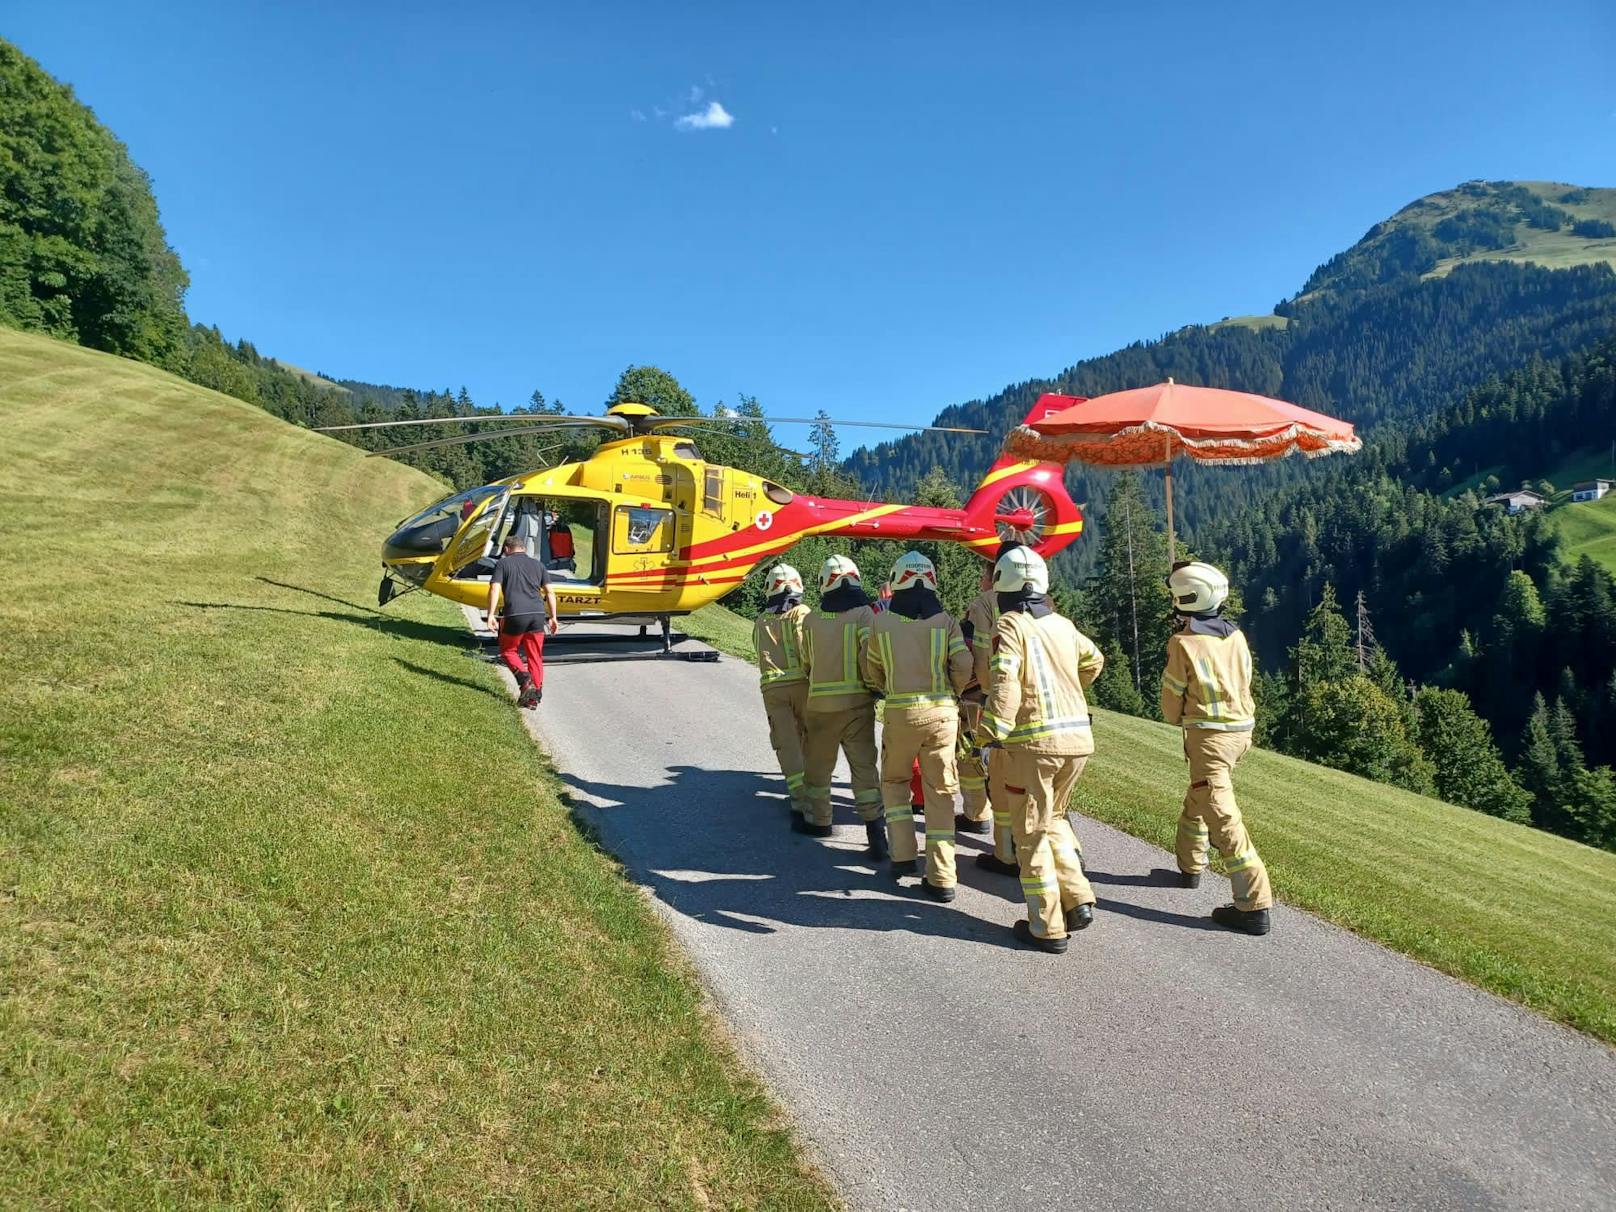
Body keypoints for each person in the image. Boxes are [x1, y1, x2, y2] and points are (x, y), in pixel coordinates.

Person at [979, 546, 1104, 954]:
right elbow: (1094, 661)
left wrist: (992, 730)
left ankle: (1046, 927)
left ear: (1002, 585)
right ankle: (1078, 895)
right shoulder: (1063, 625)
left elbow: (1005, 680)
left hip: (1034, 745)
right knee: (1053, 818)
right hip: (1077, 741)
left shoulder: (1011, 625)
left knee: (1029, 834)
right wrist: (1069, 691)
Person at [1160, 561, 1272, 936]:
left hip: (1209, 736)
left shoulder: (1183, 643)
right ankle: (1190, 866)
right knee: (1201, 796)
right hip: (1240, 733)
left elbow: (1171, 702)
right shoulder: (1235, 636)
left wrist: (1179, 716)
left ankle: (1254, 904)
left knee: (1223, 816)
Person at [862, 552, 973, 900]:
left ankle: (903, 856)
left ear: (898, 581)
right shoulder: (946, 622)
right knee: (941, 792)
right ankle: (942, 876)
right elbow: (964, 661)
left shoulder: (882, 624)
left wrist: (888, 686)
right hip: (942, 714)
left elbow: (872, 669)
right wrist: (953, 689)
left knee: (894, 783)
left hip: (900, 713)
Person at [799, 555, 886, 856]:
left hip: (821, 707)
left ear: (824, 583)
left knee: (818, 768)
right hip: (858, 706)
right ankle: (875, 830)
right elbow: (870, 657)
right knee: (863, 768)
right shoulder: (864, 615)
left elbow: (806, 663)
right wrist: (875, 688)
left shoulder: (811, 620)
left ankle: (818, 821)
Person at [752, 564, 812, 818]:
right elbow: (807, 647)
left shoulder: (762, 620)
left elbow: (758, 650)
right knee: (810, 738)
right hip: (803, 684)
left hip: (773, 689)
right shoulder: (802, 613)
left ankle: (799, 799)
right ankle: (817, 791)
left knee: (786, 743)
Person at [487, 533, 559, 708]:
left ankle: (525, 680)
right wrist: (553, 617)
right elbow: (550, 592)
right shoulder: (538, 565)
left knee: (508, 651)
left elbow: (495, 589)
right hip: (537, 614)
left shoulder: (503, 563)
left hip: (515, 614)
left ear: (506, 549)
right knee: (535, 656)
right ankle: (533, 697)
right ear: (524, 549)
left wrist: (490, 614)